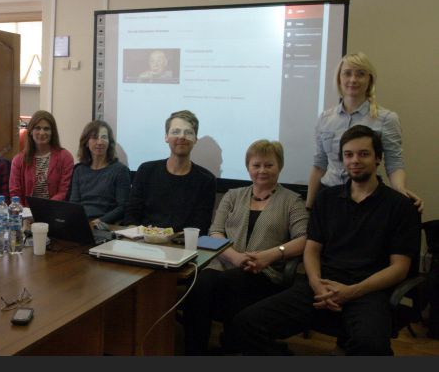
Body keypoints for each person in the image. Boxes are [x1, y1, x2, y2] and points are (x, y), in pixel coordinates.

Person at [232, 125, 420, 355]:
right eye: (348, 154)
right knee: (246, 324)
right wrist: (316, 283)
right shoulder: (327, 199)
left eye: (364, 154)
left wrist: (352, 291)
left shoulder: (399, 206)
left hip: (368, 292)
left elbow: (400, 268)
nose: (355, 160)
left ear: (378, 158)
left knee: (371, 346)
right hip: (321, 285)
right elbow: (312, 249)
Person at [181, 139, 309, 355]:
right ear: (248, 167)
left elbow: (304, 239)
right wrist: (235, 257)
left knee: (215, 285)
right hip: (225, 264)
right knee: (200, 282)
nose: (262, 170)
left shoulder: (292, 200)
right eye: (256, 165)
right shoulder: (232, 195)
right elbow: (215, 232)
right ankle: (196, 352)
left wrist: (270, 256)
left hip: (265, 272)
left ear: (280, 166)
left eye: (269, 165)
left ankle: (224, 346)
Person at [306, 52, 423, 212]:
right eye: (347, 73)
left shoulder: (387, 119)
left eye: (360, 74)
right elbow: (319, 165)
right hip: (329, 197)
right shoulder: (325, 119)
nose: (353, 79)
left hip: (366, 198)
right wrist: (309, 207)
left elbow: (394, 163)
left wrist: (401, 191)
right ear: (339, 79)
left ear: (370, 80)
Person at [122, 110, 216, 233]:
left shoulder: (206, 180)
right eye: (176, 132)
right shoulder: (146, 171)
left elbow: (200, 226)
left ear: (195, 139)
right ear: (166, 137)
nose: (182, 137)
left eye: (188, 132)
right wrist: (134, 234)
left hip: (182, 243)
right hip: (143, 239)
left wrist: (169, 238)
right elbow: (132, 214)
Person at [69, 120, 131, 226]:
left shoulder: (120, 170)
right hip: (81, 223)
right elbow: (74, 203)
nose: (99, 142)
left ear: (109, 142)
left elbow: (123, 207)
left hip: (104, 225)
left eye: (104, 137)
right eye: (94, 137)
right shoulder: (79, 170)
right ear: (86, 143)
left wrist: (100, 221)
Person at [9, 110, 74, 207]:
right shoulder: (18, 160)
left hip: (54, 210)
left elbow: (64, 191)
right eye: (37, 128)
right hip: (26, 212)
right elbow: (15, 192)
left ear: (52, 132)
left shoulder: (65, 157)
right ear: (31, 131)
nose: (42, 132)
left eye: (46, 129)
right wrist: (24, 212)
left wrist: (45, 209)